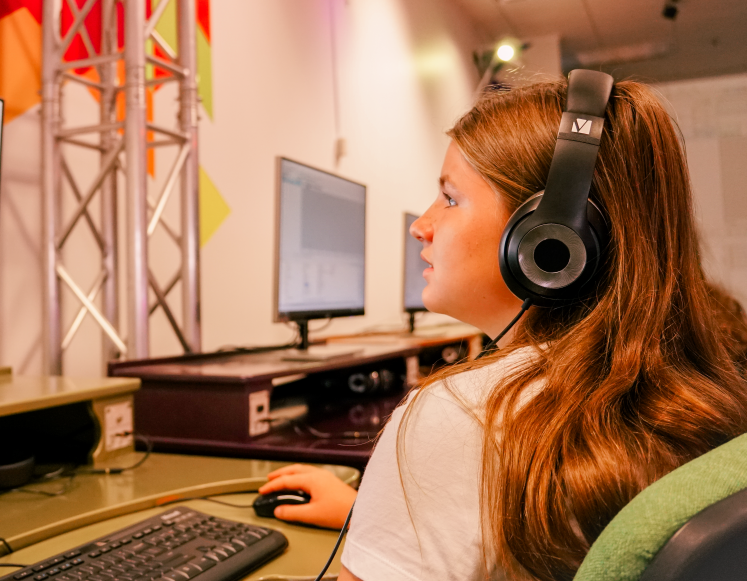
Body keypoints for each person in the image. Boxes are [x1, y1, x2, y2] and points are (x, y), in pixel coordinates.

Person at [259, 77, 747, 580]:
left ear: (548, 242)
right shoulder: (693, 392)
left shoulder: (463, 416)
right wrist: (382, 521)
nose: (420, 225)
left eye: (449, 199)